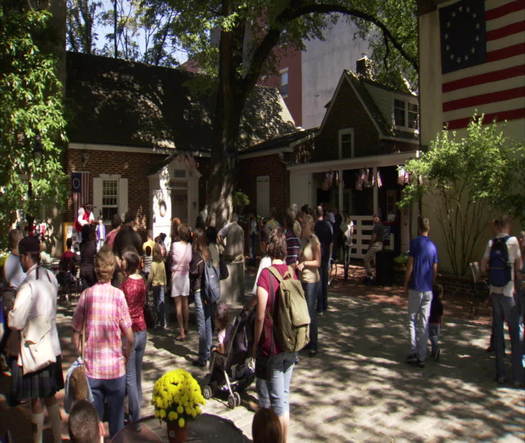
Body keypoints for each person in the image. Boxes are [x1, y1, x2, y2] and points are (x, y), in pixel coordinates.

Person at [72, 247, 134, 438]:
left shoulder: (86, 295)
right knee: (117, 422)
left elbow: (76, 331)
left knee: (94, 423)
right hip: (115, 369)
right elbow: (129, 336)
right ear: (113, 269)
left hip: (93, 370)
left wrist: (81, 353)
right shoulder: (118, 296)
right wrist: (125, 354)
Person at [8, 236, 63, 443]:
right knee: (50, 396)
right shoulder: (50, 276)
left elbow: (16, 322)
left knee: (36, 399)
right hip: (53, 344)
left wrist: (10, 311)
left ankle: (38, 439)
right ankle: (57, 438)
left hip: (34, 350)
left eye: (22, 258)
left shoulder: (27, 285)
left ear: (25, 257)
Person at [252, 229, 297, 443]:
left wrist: (255, 343)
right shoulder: (291, 272)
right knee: (284, 397)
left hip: (273, 345)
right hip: (291, 342)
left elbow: (260, 316)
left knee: (278, 403)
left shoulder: (266, 274)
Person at [481, 217, 523, 386]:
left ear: (497, 227)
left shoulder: (491, 243)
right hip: (508, 291)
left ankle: (500, 374)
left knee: (498, 332)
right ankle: (517, 376)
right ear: (508, 226)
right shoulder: (513, 241)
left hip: (494, 291)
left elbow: (483, 266)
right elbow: (519, 266)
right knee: (514, 333)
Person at [404, 216, 438, 368]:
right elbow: (435, 269)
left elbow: (410, 265)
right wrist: (432, 282)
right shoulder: (433, 246)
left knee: (412, 319)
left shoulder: (415, 243)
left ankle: (413, 350)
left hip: (416, 286)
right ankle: (422, 355)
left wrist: (406, 282)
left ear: (418, 228)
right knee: (423, 322)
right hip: (428, 288)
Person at [120, 250, 147, 423]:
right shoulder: (142, 282)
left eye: (123, 260)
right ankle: (138, 403)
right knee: (136, 373)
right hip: (142, 329)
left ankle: (134, 414)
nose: (120, 262)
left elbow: (121, 308)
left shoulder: (126, 284)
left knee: (129, 376)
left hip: (129, 331)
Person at [297, 214, 321, 357]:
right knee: (303, 312)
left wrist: (305, 263)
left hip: (312, 280)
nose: (302, 228)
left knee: (311, 311)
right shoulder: (303, 240)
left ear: (309, 226)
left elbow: (318, 262)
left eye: (303, 225)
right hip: (303, 279)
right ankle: (306, 341)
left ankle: (314, 344)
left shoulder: (314, 241)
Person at [189, 229, 213, 367]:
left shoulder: (196, 256)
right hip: (208, 291)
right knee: (208, 320)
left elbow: (193, 272)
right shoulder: (208, 253)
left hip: (199, 290)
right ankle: (208, 351)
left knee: (201, 324)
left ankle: (202, 356)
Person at [171, 223, 192, 340]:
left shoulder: (174, 245)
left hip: (176, 275)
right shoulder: (189, 246)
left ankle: (181, 330)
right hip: (186, 276)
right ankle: (187, 326)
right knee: (185, 304)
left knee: (178, 306)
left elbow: (172, 258)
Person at [314, 206, 332, 313]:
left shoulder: (315, 226)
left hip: (318, 255)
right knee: (324, 281)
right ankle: (325, 304)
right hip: (325, 255)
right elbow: (330, 242)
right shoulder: (328, 225)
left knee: (319, 281)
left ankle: (320, 305)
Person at [149, 244, 167, 329]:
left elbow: (150, 276)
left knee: (155, 304)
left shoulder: (153, 264)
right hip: (162, 285)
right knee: (162, 303)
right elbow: (164, 275)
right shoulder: (162, 262)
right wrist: (165, 284)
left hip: (155, 285)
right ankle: (163, 322)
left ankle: (156, 322)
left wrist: (147, 284)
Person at [364, 214, 384, 282]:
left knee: (366, 259)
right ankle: (374, 275)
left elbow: (373, 237)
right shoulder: (381, 225)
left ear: (378, 218)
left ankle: (370, 275)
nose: (373, 219)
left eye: (375, 217)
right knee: (375, 261)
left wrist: (370, 245)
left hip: (376, 245)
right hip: (380, 244)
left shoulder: (377, 226)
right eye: (373, 218)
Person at [429, 284, 444, 361]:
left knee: (432, 337)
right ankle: (433, 351)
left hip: (430, 322)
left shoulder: (429, 302)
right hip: (437, 322)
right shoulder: (440, 304)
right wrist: (441, 323)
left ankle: (436, 349)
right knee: (435, 337)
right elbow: (441, 315)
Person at [79, 225, 97, 289]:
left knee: (85, 291)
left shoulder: (81, 245)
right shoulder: (93, 243)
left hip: (83, 269)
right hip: (91, 269)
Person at [342, 215, 355, 280]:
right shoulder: (346, 223)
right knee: (346, 257)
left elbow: (352, 232)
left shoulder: (349, 223)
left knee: (347, 257)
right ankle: (345, 274)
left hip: (347, 241)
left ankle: (346, 273)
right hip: (347, 241)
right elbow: (351, 232)